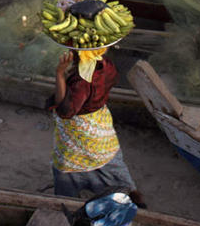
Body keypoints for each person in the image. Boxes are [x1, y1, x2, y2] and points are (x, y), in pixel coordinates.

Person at [47, 49, 144, 205]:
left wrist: (59, 73)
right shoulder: (106, 64)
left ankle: (67, 207)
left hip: (79, 137)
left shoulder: (82, 81)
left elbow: (66, 110)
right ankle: (132, 198)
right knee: (112, 168)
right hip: (101, 133)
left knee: (68, 177)